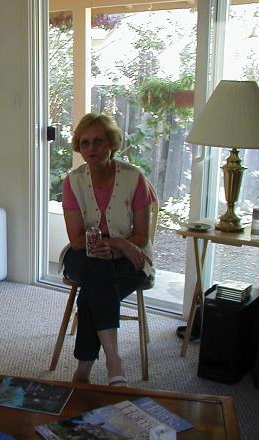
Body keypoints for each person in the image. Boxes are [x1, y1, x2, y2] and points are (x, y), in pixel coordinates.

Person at [61, 113, 156, 387]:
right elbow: (77, 240)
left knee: (92, 293)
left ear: (111, 143)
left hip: (131, 256)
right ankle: (114, 360)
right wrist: (116, 243)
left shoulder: (134, 178)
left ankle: (83, 369)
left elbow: (141, 236)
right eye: (85, 142)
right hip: (83, 254)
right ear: (79, 147)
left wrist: (121, 247)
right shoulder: (73, 182)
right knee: (98, 268)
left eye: (98, 141)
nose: (91, 148)